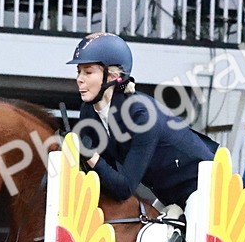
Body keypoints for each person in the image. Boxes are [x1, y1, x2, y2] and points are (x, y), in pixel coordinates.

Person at [68, 32, 217, 213]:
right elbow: (102, 178)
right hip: (166, 195)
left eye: (88, 72)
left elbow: (124, 188)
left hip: (203, 188)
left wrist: (89, 155)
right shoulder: (89, 112)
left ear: (113, 76)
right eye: (79, 72)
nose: (79, 79)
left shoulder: (141, 116)